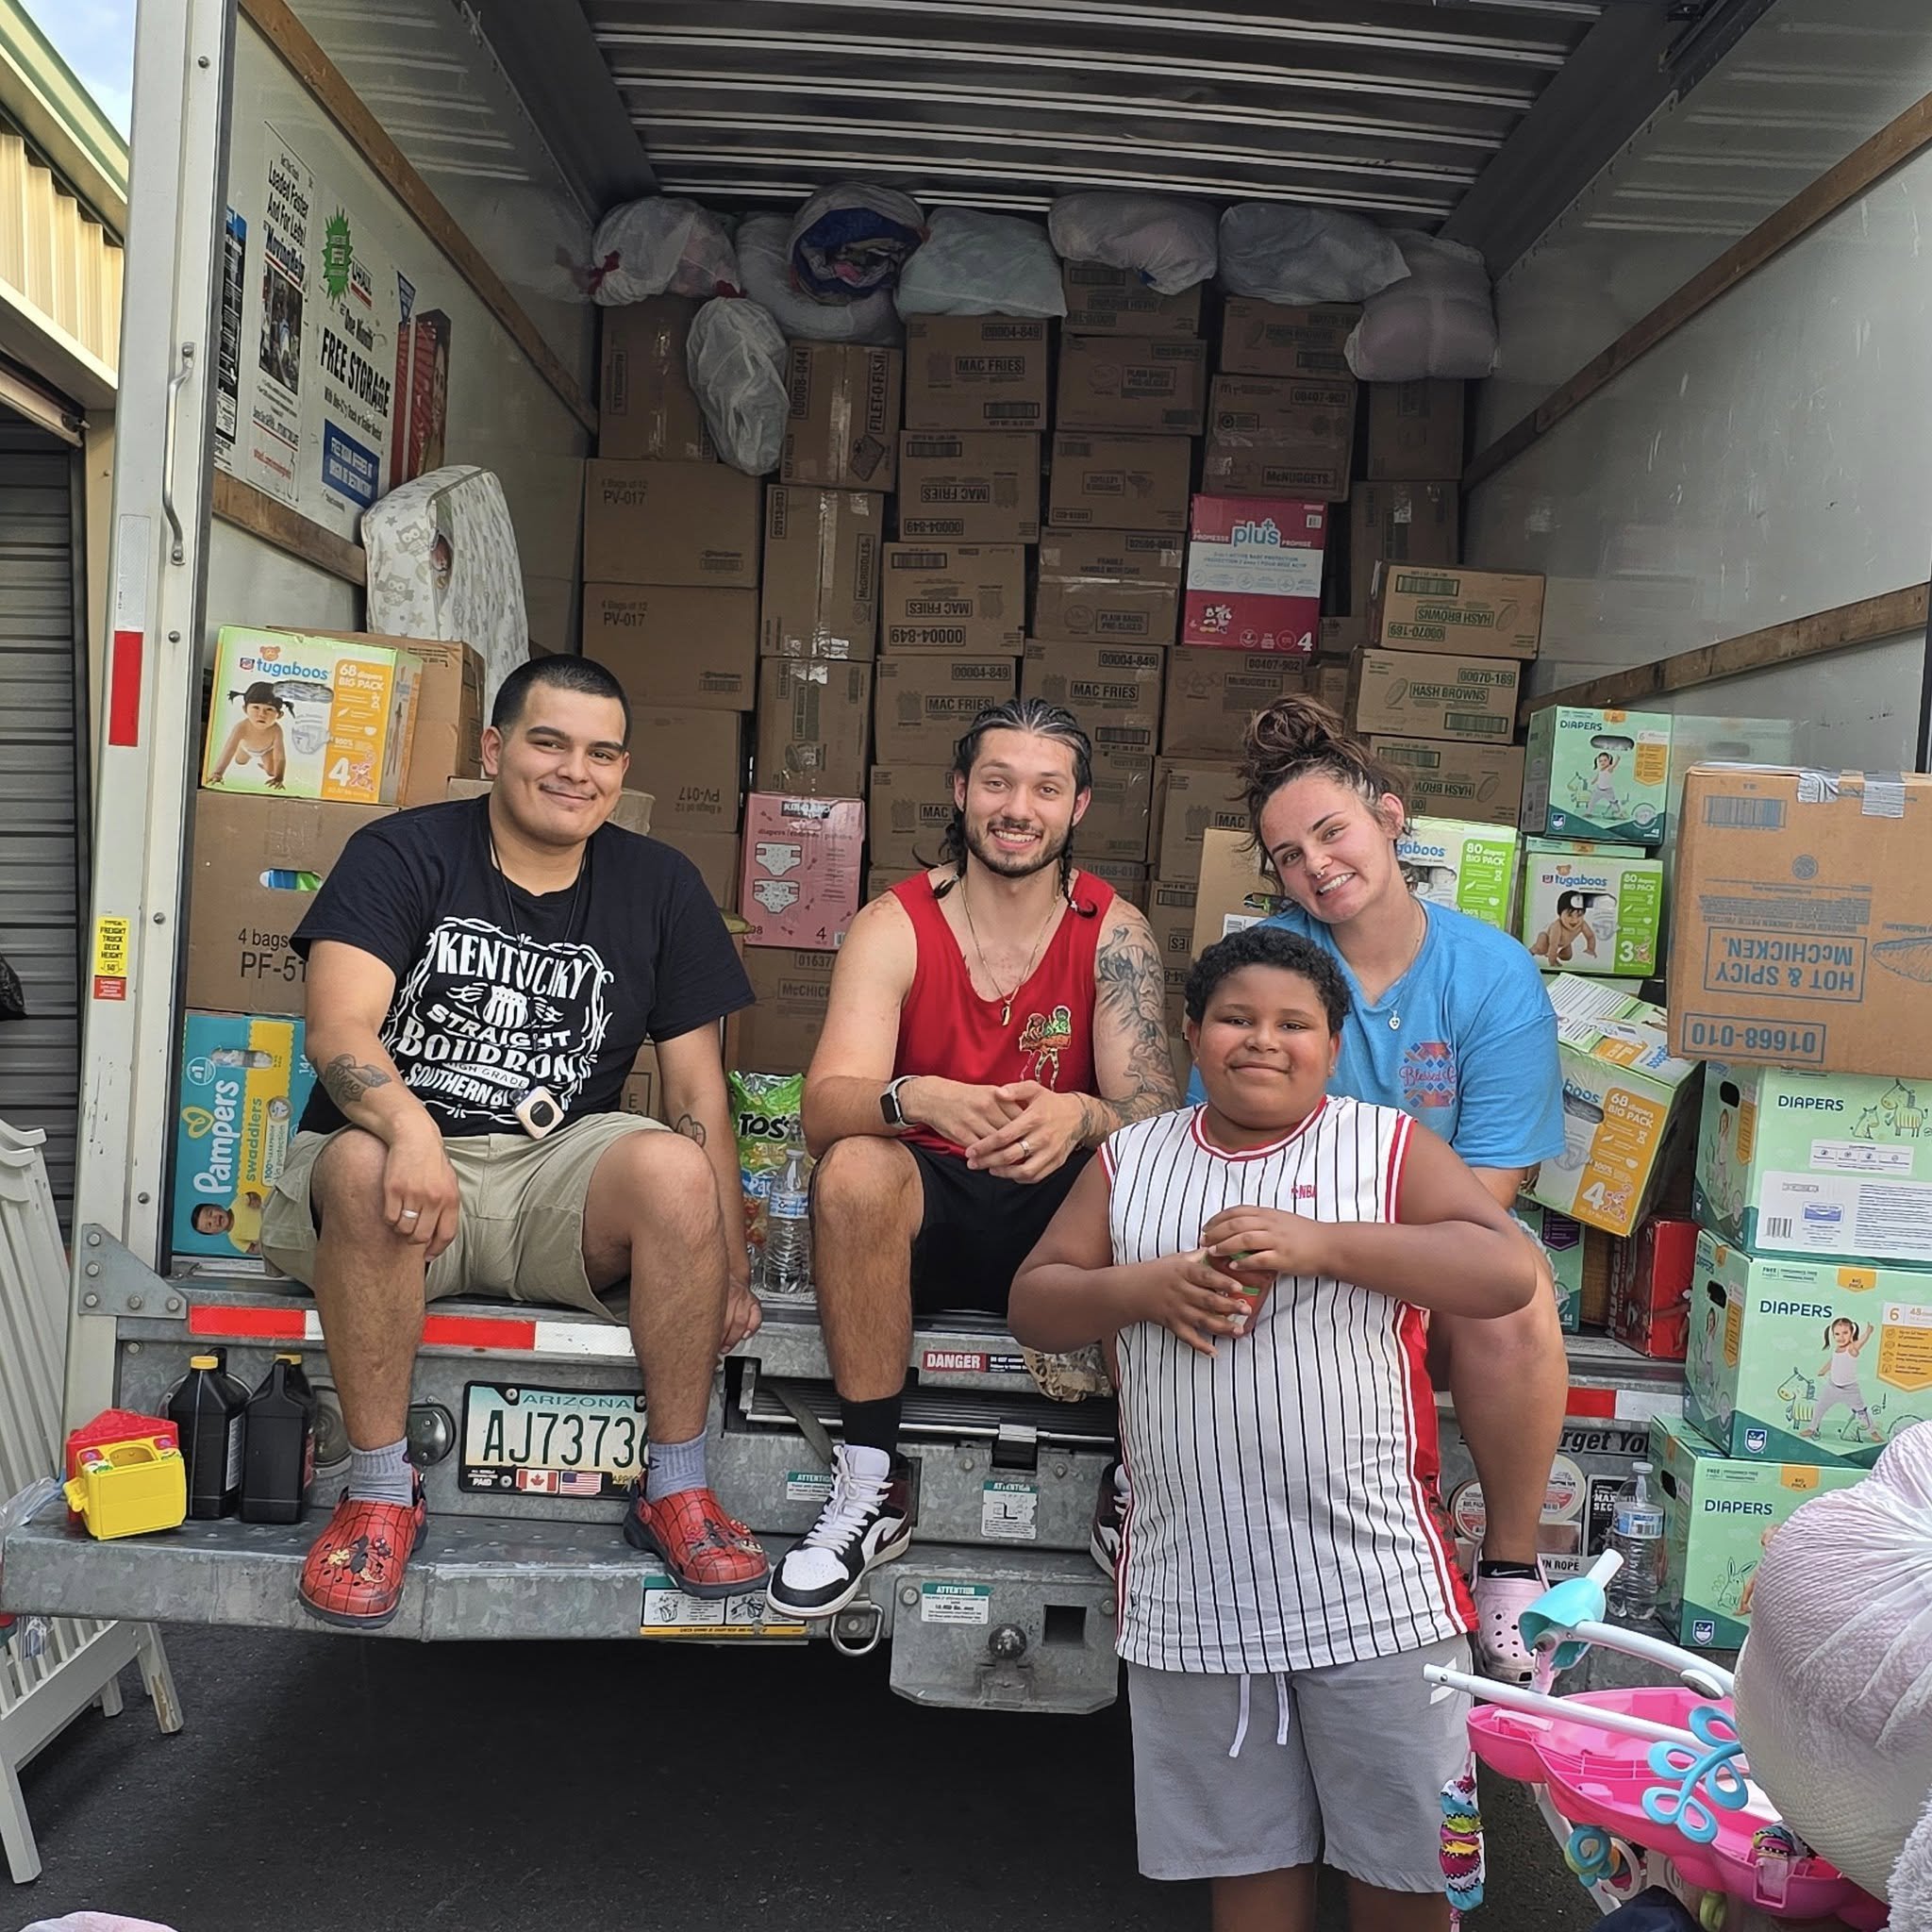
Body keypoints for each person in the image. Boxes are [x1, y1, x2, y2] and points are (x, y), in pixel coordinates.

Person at [1009, 925, 1540, 1931]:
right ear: (1191, 1033)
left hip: (1372, 1585)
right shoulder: (1131, 1158)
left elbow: (1502, 1269)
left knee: (1404, 1870)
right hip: (1192, 1588)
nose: (1263, 1039)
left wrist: (1323, 1244)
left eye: (1293, 1022)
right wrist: (1147, 1287)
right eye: (1235, 1018)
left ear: (1331, 1047)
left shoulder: (1380, 1149)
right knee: (1246, 1869)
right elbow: (1036, 1300)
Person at [258, 655, 768, 1627]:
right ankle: (374, 1493)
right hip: (398, 1178)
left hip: (551, 1174)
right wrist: (408, 1126)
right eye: (549, 742)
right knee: (364, 1164)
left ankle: (677, 1484)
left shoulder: (659, 883)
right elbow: (338, 1031)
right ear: (494, 749)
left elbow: (700, 1089)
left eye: (602, 753)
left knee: (668, 1164)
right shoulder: (399, 853)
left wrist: (726, 1264)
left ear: (622, 771)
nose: (576, 770)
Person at [765, 698, 1179, 1621]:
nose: (1016, 805)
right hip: (930, 1208)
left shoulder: (1112, 930)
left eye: (1044, 786)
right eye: (996, 781)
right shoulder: (895, 921)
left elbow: (1157, 1112)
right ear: (961, 791)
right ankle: (871, 1479)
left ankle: (1140, 1482)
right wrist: (915, 1094)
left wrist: (1077, 1113)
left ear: (1075, 807)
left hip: (1058, 1225)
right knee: (856, 1167)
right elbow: (824, 1107)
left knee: (1149, 1174)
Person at [1190, 697, 1568, 1685]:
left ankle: (1508, 1572)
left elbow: (1484, 1193)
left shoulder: (1487, 972)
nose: (1315, 864)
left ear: (1389, 821)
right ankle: (1171, 1513)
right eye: (1285, 854)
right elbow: (1216, 1144)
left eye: (1332, 831)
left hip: (1414, 1264)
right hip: (1282, 1255)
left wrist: (1348, 1245)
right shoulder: (1264, 970)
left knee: (1514, 1282)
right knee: (1189, 1278)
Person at [208, 682, 288, 788]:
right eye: (256, 707)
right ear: (245, 709)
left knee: (272, 772)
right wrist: (218, 773)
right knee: (240, 762)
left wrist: (279, 777)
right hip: (246, 749)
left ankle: (264, 766)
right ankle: (243, 752)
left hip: (267, 750)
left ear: (279, 715)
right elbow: (228, 750)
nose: (262, 714)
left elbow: (279, 755)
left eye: (269, 709)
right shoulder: (241, 727)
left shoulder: (276, 730)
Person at [1529, 889, 1598, 964]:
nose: (1574, 920)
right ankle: (1532, 951)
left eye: (1579, 915)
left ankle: (1552, 954)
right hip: (1547, 938)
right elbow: (1553, 945)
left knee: (1567, 956)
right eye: (1569, 915)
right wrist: (1552, 961)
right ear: (1560, 914)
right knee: (1541, 949)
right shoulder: (1557, 926)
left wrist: (1591, 948)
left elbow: (1590, 936)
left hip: (1565, 942)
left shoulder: (1582, 924)